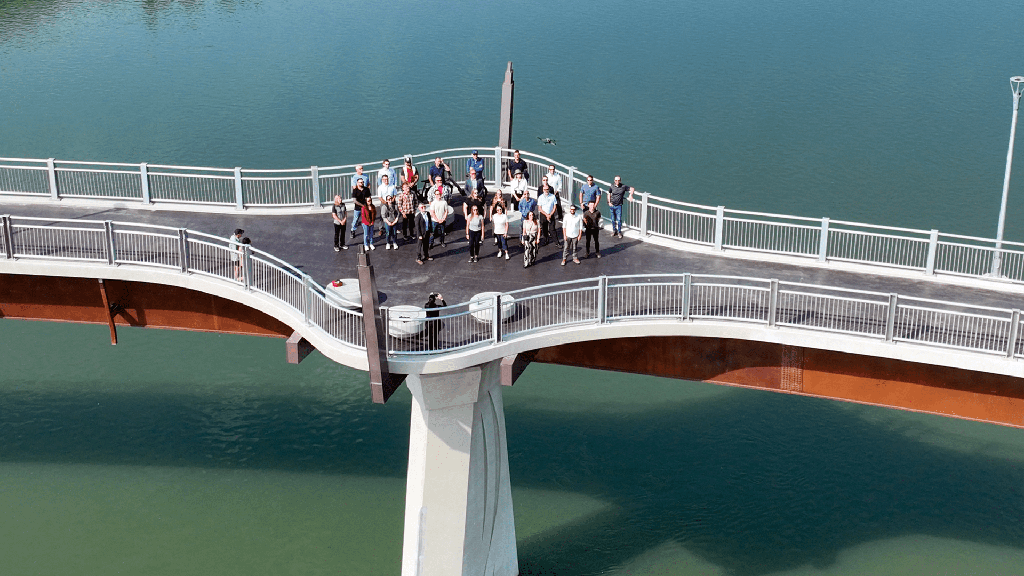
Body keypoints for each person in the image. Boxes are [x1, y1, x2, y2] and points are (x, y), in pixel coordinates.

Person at [537, 181, 560, 247]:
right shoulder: (540, 197)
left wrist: (550, 214)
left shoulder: (552, 196)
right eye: (545, 189)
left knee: (552, 229)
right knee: (544, 229)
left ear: (549, 189)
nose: (546, 190)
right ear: (543, 190)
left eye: (547, 189)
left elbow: (555, 206)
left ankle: (557, 243)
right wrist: (546, 215)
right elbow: (539, 208)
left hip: (551, 214)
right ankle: (545, 241)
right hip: (543, 215)